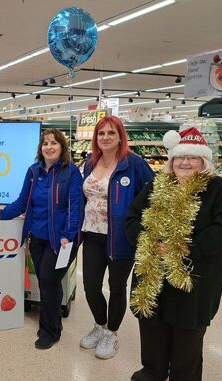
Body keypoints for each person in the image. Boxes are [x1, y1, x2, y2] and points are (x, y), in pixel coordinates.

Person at [125, 128, 222, 381]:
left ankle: (185, 380)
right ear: (171, 161)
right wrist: (148, 242)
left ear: (205, 162)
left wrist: (189, 248)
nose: (185, 163)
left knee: (187, 326)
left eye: (192, 158)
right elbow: (132, 216)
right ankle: (153, 368)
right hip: (153, 267)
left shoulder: (219, 189)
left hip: (195, 273)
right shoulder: (156, 185)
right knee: (152, 318)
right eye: (180, 158)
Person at [0, 128, 83, 350]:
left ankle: (50, 331)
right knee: (47, 281)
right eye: (45, 143)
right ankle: (52, 320)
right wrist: (0, 215)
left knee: (49, 280)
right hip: (37, 237)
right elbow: (22, 202)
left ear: (62, 147)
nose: (49, 147)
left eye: (54, 143)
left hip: (61, 241)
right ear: (40, 148)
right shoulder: (33, 172)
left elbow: (75, 207)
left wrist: (68, 234)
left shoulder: (72, 172)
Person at [79, 115, 154, 359]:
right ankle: (100, 325)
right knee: (90, 286)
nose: (106, 137)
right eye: (101, 133)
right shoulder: (92, 162)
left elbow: (153, 195)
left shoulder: (134, 164)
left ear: (120, 136)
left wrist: (140, 226)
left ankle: (112, 333)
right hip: (92, 233)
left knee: (116, 286)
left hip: (121, 237)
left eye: (111, 133)